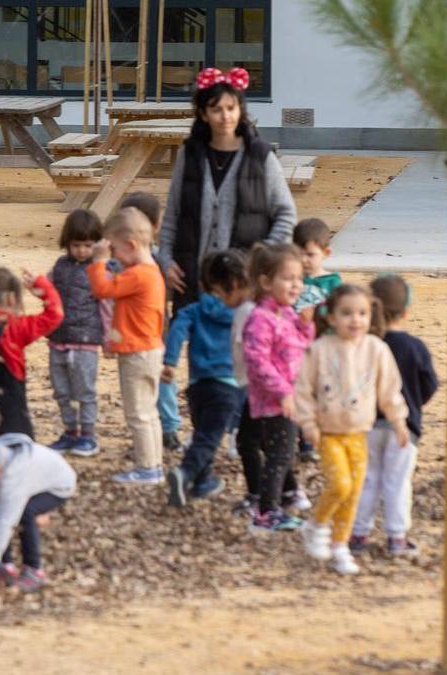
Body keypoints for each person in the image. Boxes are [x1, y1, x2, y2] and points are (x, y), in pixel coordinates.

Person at [157, 67, 297, 311]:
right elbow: (173, 215)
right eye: (216, 109)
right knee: (199, 346)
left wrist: (259, 259)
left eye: (231, 108)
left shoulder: (260, 156)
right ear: (203, 114)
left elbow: (286, 214)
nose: (225, 117)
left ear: (240, 110)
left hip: (243, 283)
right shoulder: (188, 156)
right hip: (193, 279)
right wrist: (167, 261)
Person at [297, 285, 408, 575]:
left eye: (362, 313)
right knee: (340, 485)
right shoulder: (319, 349)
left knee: (354, 493)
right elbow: (304, 390)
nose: (355, 320)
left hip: (360, 433)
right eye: (347, 313)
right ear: (332, 317)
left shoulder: (376, 349)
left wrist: (398, 421)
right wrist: (308, 424)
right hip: (329, 433)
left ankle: (339, 546)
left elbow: (390, 390)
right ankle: (317, 524)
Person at [350, 276, 438, 557]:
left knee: (369, 478)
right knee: (397, 481)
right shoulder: (414, 347)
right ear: (406, 311)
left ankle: (359, 533)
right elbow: (429, 384)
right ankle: (396, 537)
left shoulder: (366, 344)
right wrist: (413, 404)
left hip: (368, 423)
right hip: (403, 425)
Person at [162, 250, 249, 507]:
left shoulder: (194, 310)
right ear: (237, 284)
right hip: (227, 387)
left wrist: (170, 361)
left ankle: (204, 480)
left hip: (197, 386)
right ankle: (185, 473)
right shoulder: (241, 313)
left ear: (202, 283)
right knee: (210, 438)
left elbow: (177, 329)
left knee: (203, 434)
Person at [88, 208, 167, 485]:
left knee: (138, 414)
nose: (114, 256)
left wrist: (98, 261)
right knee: (149, 412)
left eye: (116, 250)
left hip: (137, 353)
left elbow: (102, 290)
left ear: (132, 245)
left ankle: (147, 468)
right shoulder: (150, 271)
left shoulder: (138, 275)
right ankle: (154, 464)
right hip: (149, 349)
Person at [0, 426, 77, 593]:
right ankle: (5, 565)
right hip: (31, 479)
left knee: (25, 513)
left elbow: (5, 523)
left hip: (58, 485)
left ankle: (34, 570)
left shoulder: (11, 480)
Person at [242, 244, 315, 532]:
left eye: (299, 278)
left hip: (290, 398)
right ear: (266, 282)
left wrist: (307, 327)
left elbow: (301, 349)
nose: (296, 285)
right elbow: (256, 360)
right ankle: (266, 512)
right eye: (288, 278)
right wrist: (283, 391)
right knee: (279, 455)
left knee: (283, 453)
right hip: (275, 401)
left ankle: (284, 497)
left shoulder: (287, 315)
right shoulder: (262, 318)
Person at [0, 265, 63, 438]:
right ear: (10, 298)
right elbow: (55, 314)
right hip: (11, 415)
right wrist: (41, 285)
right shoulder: (15, 327)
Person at [120, 192, 184, 454]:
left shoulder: (156, 261)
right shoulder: (135, 260)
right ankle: (159, 431)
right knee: (147, 382)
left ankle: (167, 429)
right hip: (143, 329)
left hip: (155, 329)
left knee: (159, 379)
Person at [47, 209, 105, 457]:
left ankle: (88, 435)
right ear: (67, 243)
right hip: (58, 339)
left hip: (86, 342)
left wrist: (110, 337)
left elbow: (107, 304)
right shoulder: (59, 266)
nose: (81, 250)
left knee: (84, 390)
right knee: (61, 390)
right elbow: (49, 292)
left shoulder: (101, 269)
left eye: (87, 245)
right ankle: (70, 431)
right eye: (76, 245)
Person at [292, 217, 341, 463]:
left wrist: (317, 317)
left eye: (310, 255)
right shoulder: (293, 279)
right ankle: (304, 443)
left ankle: (319, 439)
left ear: (325, 253)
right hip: (296, 350)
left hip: (323, 349)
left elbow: (338, 314)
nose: (304, 261)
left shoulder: (332, 283)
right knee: (301, 395)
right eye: (299, 254)